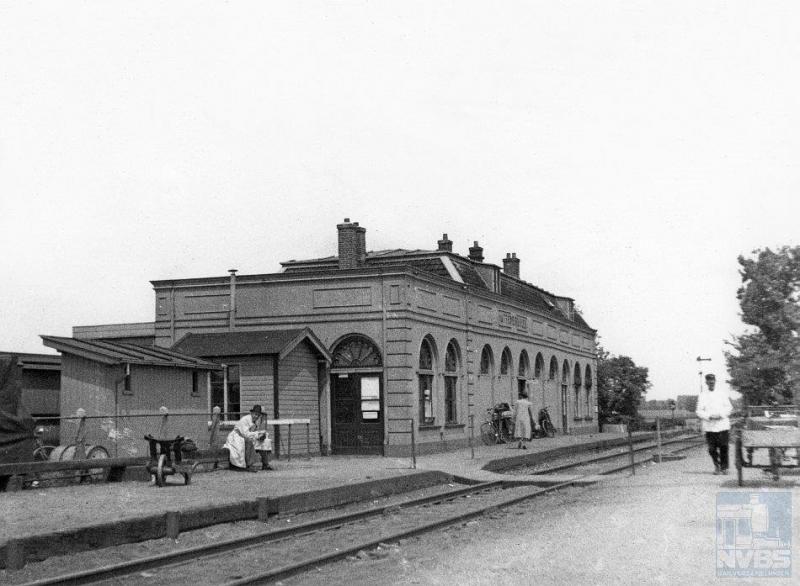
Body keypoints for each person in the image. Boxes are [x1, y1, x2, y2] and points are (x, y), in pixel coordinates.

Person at [695, 374, 733, 475]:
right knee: (712, 449)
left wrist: (721, 415)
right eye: (709, 381)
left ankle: (724, 467)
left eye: (713, 381)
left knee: (724, 446)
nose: (711, 382)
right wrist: (709, 416)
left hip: (722, 425)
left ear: (715, 381)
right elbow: (698, 411)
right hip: (709, 426)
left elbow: (729, 408)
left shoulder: (722, 393)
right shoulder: (702, 395)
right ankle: (717, 466)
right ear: (706, 382)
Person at [223, 405, 272, 472]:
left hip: (246, 436)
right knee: (248, 442)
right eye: (255, 414)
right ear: (251, 413)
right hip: (236, 437)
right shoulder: (245, 419)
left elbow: (252, 432)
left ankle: (265, 464)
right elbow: (245, 434)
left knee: (264, 442)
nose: (256, 416)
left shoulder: (255, 421)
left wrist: (261, 435)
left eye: (258, 415)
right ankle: (249, 465)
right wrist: (257, 434)